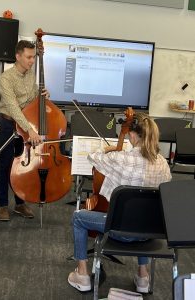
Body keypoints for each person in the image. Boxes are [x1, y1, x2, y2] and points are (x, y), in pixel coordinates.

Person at [68, 112, 172, 293]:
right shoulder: (163, 163)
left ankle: (83, 274)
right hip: (150, 232)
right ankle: (143, 276)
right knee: (143, 214)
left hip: (119, 231)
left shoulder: (121, 159)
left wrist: (106, 150)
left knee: (78, 217)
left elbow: (92, 157)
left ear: (132, 135)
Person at [0, 40, 49, 221]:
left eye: (33, 57)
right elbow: (13, 108)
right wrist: (29, 130)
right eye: (28, 57)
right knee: (5, 166)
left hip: (26, 126)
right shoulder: (6, 78)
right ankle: (3, 205)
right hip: (9, 124)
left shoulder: (30, 75)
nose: (32, 61)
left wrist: (43, 95)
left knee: (21, 166)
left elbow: (33, 96)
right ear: (18, 56)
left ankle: (20, 204)